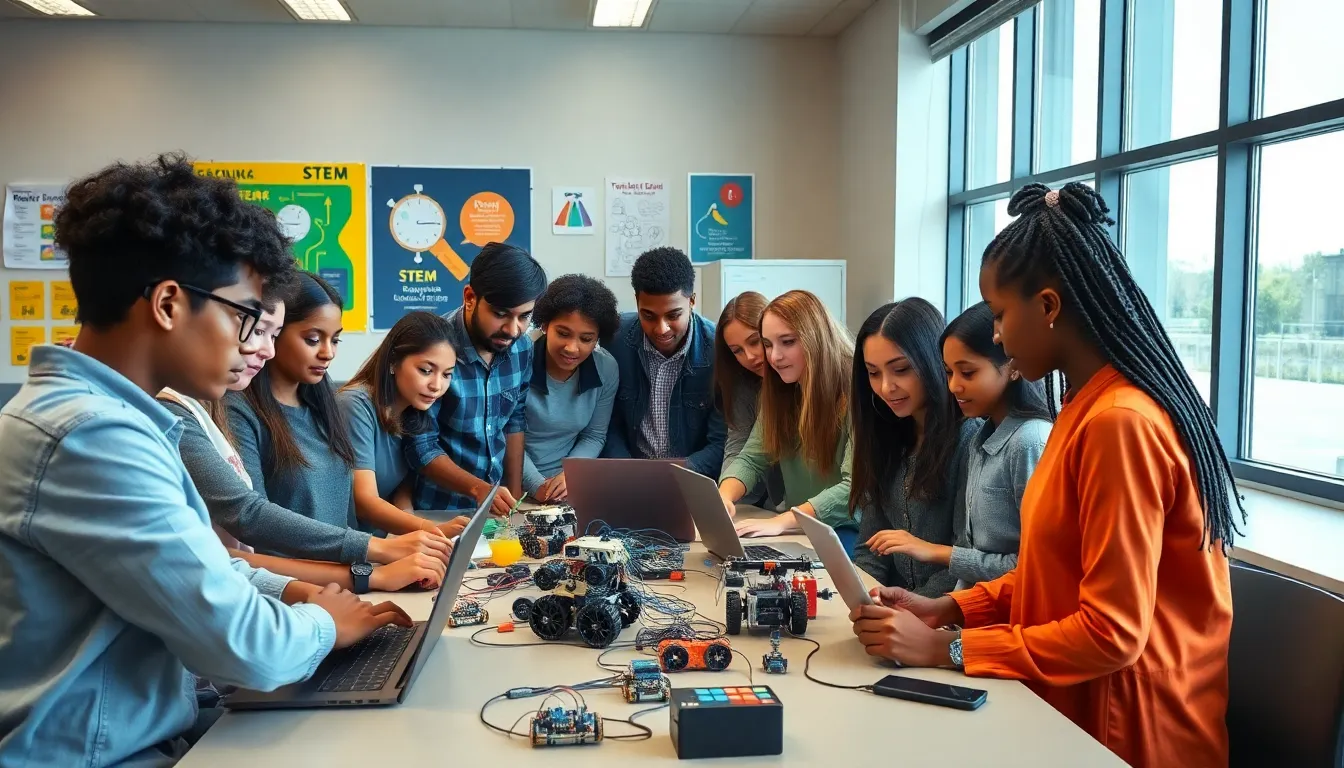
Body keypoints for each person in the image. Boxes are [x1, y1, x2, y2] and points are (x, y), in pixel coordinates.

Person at [0, 154, 409, 766]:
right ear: (168, 304)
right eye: (244, 315)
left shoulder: (115, 419)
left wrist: (301, 591)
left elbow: (199, 569)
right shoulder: (91, 436)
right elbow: (247, 648)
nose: (253, 344)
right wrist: (328, 625)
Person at [849, 183, 1242, 767]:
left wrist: (947, 649)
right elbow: (1054, 573)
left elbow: (1110, 633)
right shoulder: (1085, 408)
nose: (999, 334)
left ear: (1050, 307)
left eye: (1003, 315)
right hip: (1074, 708)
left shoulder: (1119, 423)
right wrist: (955, 610)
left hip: (1123, 730)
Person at [162, 291, 451, 573]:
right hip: (300, 583)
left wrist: (370, 566)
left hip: (342, 576)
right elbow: (251, 519)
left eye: (335, 339)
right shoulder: (225, 409)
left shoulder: (321, 402)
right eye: (313, 339)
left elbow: (341, 515)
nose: (328, 353)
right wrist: (373, 559)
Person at [869, 301, 1052, 588]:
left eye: (967, 373)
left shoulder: (1029, 442)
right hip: (969, 611)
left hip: (1001, 621)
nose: (953, 386)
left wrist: (937, 554)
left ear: (1013, 366)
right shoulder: (984, 439)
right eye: (948, 373)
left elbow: (1035, 567)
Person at [406, 242, 548, 516]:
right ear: (470, 297)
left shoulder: (522, 347)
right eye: (500, 314)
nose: (513, 329)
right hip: (437, 513)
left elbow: (514, 419)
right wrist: (478, 490)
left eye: (524, 316)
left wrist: (515, 498)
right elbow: (420, 447)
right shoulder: (433, 348)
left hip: (495, 512)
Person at [849, 298, 979, 597]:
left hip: (943, 614)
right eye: (873, 372)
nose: (885, 387)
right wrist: (864, 598)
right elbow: (871, 549)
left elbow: (962, 562)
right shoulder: (886, 435)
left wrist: (911, 608)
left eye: (901, 370)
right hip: (900, 611)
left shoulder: (969, 439)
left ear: (934, 361)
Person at [716, 290, 859, 551]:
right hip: (800, 528)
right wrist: (723, 498)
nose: (774, 357)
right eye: (768, 344)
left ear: (815, 337)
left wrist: (783, 521)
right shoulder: (779, 391)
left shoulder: (856, 389)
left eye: (788, 342)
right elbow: (751, 458)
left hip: (846, 530)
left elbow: (853, 489)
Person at [340, 311, 469, 536]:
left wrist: (417, 531)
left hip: (380, 546)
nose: (436, 385)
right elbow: (364, 502)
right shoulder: (354, 404)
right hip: (343, 552)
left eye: (447, 374)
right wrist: (432, 529)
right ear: (393, 362)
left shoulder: (412, 411)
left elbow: (401, 491)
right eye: (426, 371)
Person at [602, 246, 725, 477]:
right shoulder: (614, 341)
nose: (661, 329)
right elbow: (608, 424)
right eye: (648, 315)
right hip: (629, 479)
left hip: (694, 481)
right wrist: (628, 471)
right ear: (637, 301)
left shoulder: (720, 351)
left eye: (673, 315)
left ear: (692, 301)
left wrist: (674, 474)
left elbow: (721, 441)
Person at [522, 274, 620, 502]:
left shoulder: (606, 368)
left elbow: (594, 436)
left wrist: (570, 475)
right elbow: (502, 435)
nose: (572, 348)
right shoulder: (519, 358)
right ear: (545, 325)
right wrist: (536, 484)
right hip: (510, 489)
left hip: (568, 489)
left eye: (586, 339)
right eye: (563, 333)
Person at [714, 291, 783, 508]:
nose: (750, 356)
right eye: (737, 351)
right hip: (776, 505)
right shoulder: (743, 383)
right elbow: (744, 450)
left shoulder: (791, 384)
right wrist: (724, 497)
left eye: (755, 342)